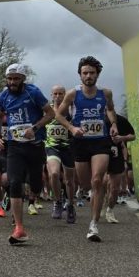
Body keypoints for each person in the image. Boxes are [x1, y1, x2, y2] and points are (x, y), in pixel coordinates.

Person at [55, 56, 118, 242]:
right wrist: (72, 128)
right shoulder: (72, 94)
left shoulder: (105, 93)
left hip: (100, 141)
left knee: (97, 180)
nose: (88, 76)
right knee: (85, 183)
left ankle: (93, 224)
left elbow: (111, 109)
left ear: (97, 74)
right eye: (85, 73)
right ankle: (86, 192)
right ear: (80, 75)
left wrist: (113, 124)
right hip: (80, 141)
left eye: (91, 73)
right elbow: (59, 115)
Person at [0, 63, 54, 245]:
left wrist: (34, 128)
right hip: (15, 146)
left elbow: (50, 114)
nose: (12, 82)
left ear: (23, 79)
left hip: (35, 146)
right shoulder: (4, 95)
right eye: (9, 79)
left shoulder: (33, 92)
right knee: (14, 182)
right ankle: (19, 228)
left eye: (16, 79)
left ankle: (35, 192)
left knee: (35, 184)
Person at [45, 85, 77, 223]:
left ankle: (70, 204)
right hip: (51, 146)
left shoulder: (71, 109)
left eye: (61, 94)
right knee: (54, 174)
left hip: (68, 147)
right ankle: (57, 202)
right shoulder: (47, 109)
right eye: (55, 94)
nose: (58, 96)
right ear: (51, 95)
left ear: (65, 95)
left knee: (69, 180)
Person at [104, 114, 135, 223]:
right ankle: (98, 207)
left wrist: (122, 137)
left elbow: (132, 137)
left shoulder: (121, 120)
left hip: (116, 156)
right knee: (101, 183)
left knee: (114, 188)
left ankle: (110, 210)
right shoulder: (96, 118)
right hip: (100, 154)